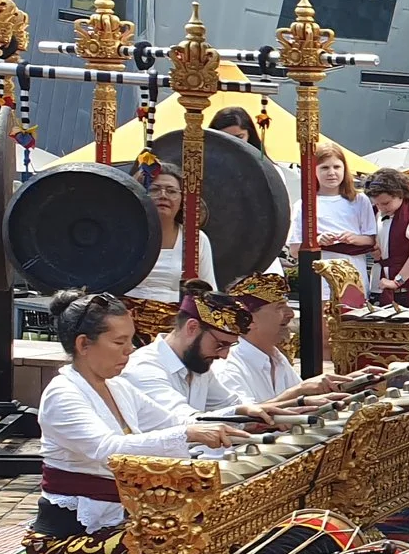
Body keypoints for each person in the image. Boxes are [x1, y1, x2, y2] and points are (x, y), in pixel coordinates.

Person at [25, 292, 244, 554]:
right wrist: (189, 433)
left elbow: (178, 421)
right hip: (65, 543)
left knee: (220, 530)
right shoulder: (62, 393)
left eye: (130, 340)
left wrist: (244, 415)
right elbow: (109, 450)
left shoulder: (118, 388)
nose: (129, 350)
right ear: (83, 344)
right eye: (119, 342)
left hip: (118, 526)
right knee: (180, 545)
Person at [124, 289, 266, 423]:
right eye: (221, 344)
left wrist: (273, 413)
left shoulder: (198, 365)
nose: (224, 355)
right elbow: (184, 422)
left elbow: (234, 406)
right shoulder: (144, 368)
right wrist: (240, 411)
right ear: (192, 328)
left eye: (230, 346)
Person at [210, 273, 341, 410]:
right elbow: (244, 418)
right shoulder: (227, 366)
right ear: (249, 319)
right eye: (280, 307)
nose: (290, 313)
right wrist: (298, 391)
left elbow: (307, 401)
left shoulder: (275, 356)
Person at [125, 159, 214, 340]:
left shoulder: (197, 240)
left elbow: (207, 293)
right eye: (155, 189)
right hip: (124, 327)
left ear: (182, 200)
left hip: (175, 331)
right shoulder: (123, 236)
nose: (163, 195)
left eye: (172, 191)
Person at [286, 139, 377, 277]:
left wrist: (353, 238)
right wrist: (317, 240)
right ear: (313, 170)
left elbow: (371, 239)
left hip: (353, 274)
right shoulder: (304, 204)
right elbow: (294, 249)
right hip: (319, 277)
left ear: (344, 169)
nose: (331, 173)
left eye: (336, 167)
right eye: (324, 168)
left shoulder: (359, 200)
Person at [361, 168, 409, 307]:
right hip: (379, 283)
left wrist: (397, 281)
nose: (381, 208)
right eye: (377, 204)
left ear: (400, 194)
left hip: (408, 284)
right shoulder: (374, 212)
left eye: (386, 203)